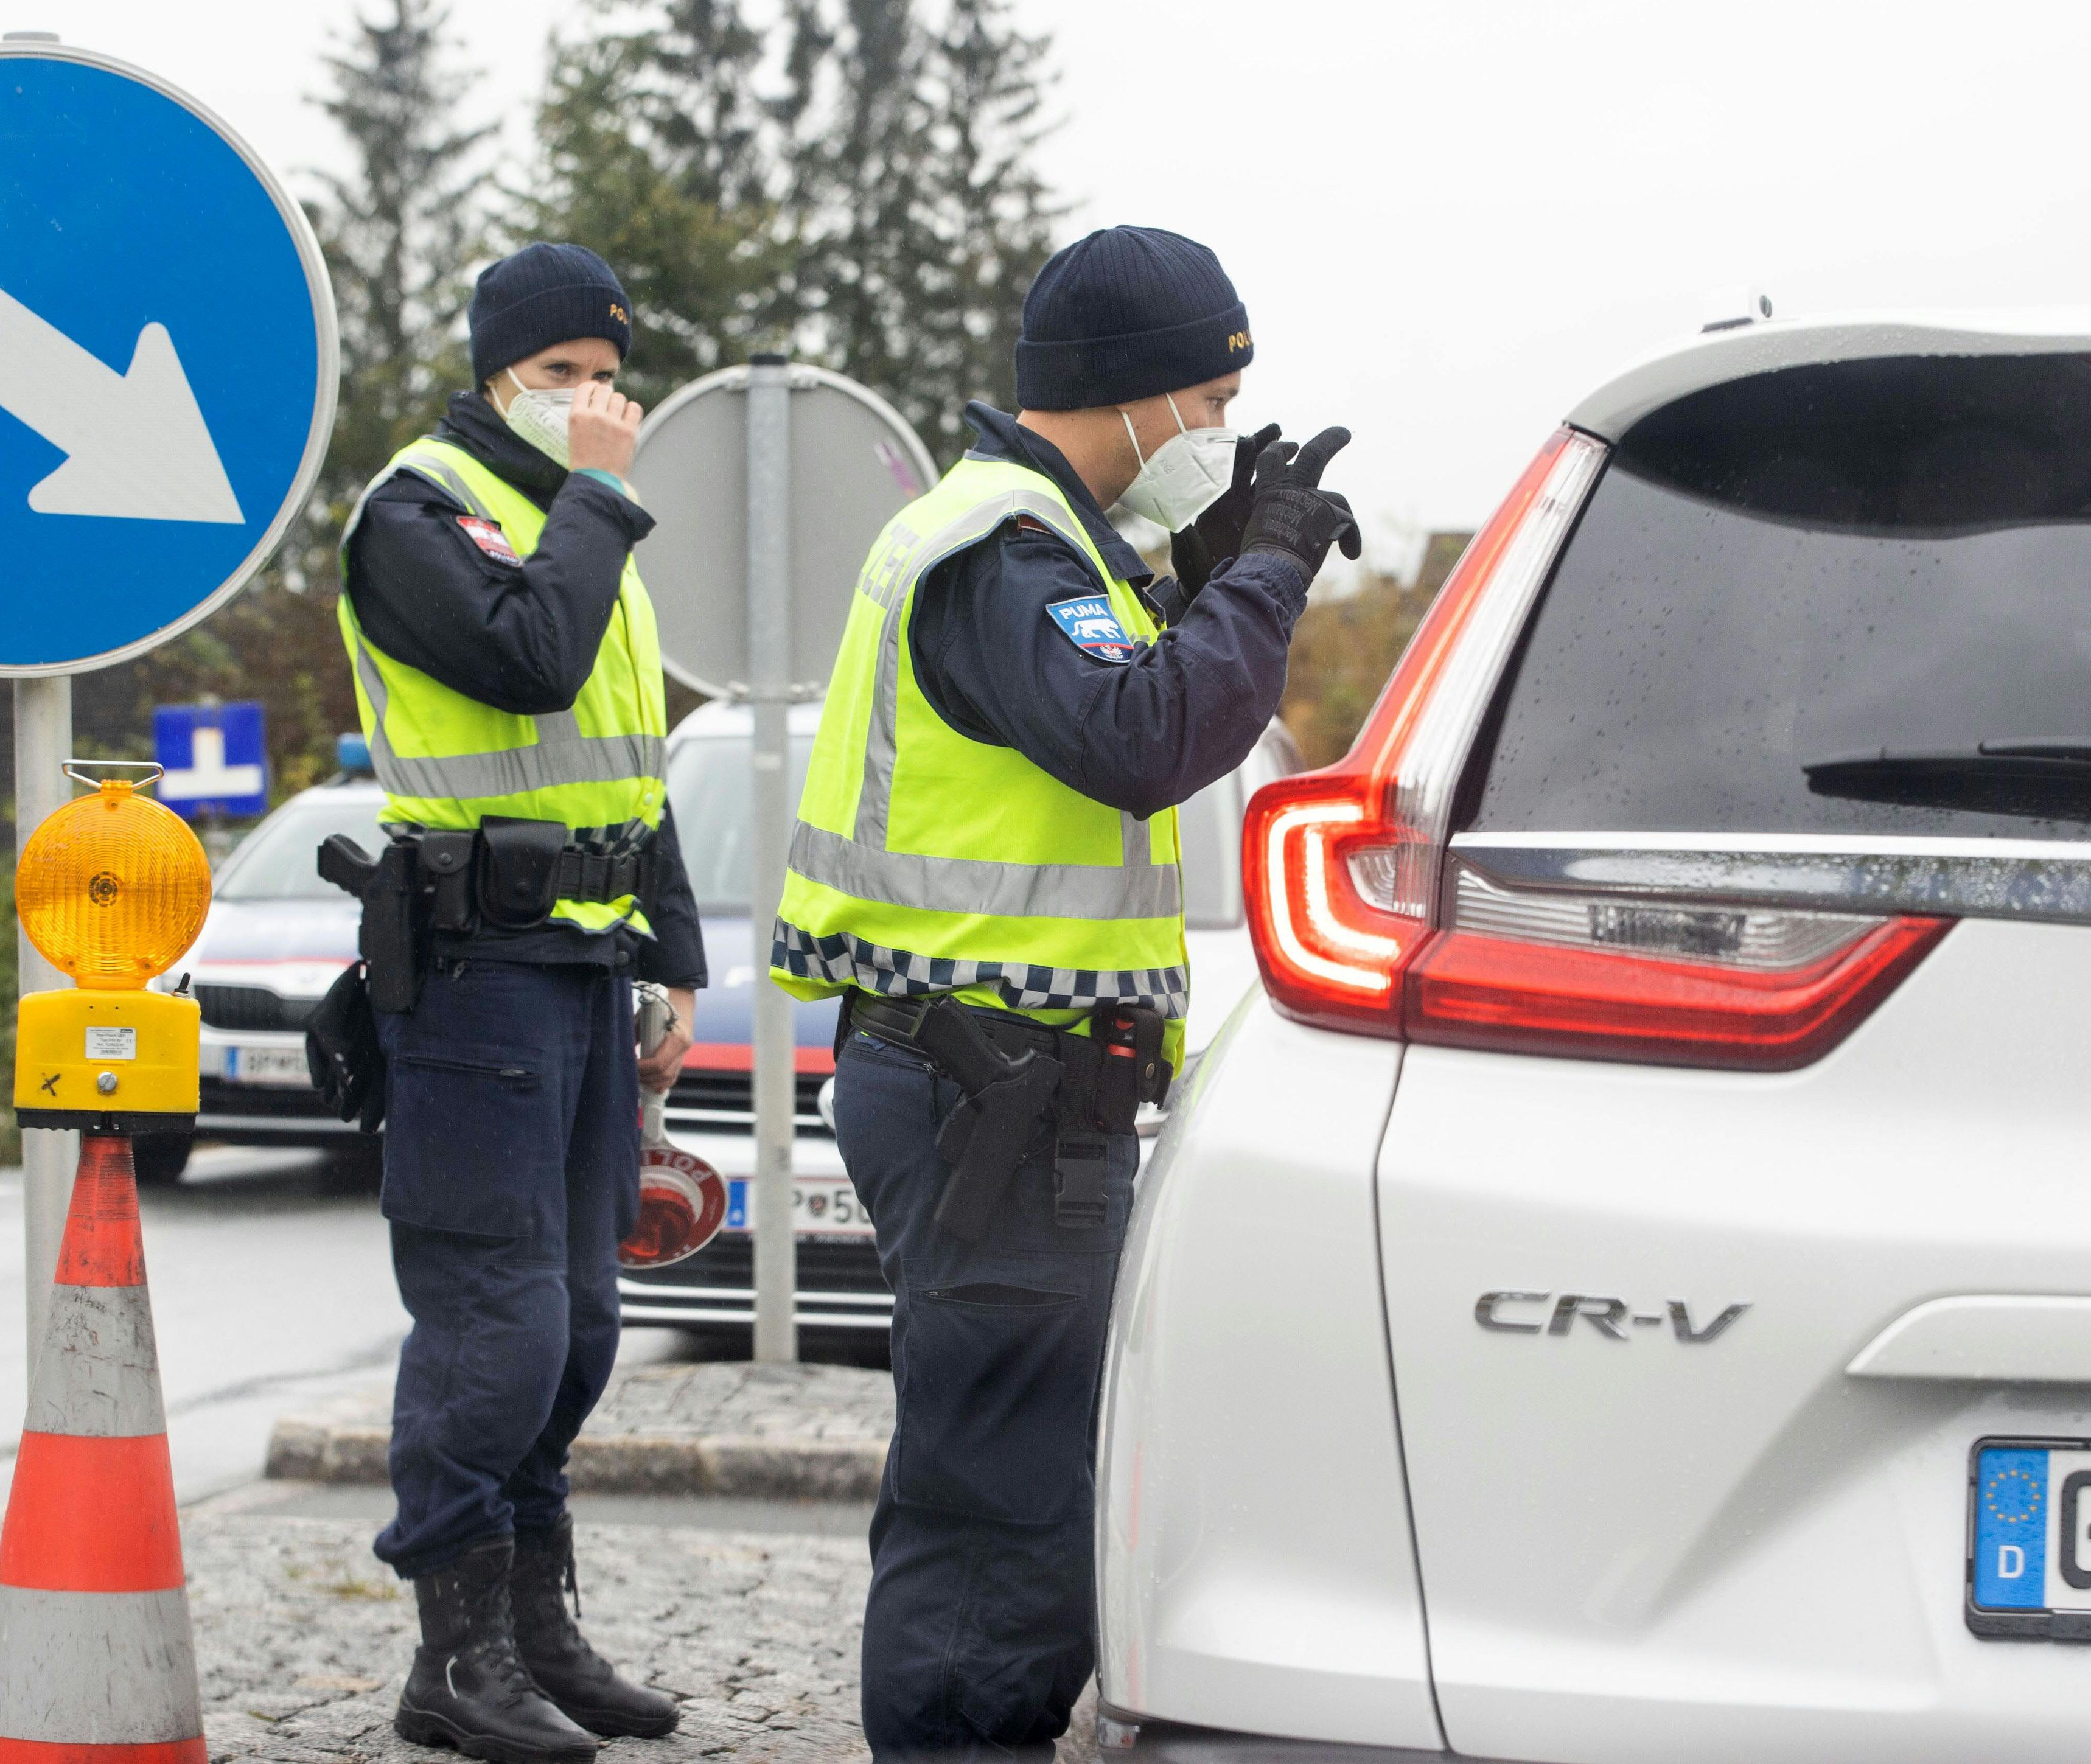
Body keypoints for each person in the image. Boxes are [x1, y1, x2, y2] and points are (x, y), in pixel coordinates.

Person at [769, 225, 1360, 1762]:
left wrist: (1207, 572)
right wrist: (1268, 570)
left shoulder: (1058, 555)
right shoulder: (998, 552)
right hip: (990, 1097)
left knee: (1021, 1488)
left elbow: (1117, 703)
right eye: (1216, 401)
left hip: (1010, 1092)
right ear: (1136, 394)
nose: (1225, 433)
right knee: (993, 1520)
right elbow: (1147, 734)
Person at [338, 242, 699, 1762]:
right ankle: (453, 1657)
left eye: (609, 377)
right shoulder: (415, 513)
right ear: (495, 376)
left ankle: (539, 1632)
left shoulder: (574, 527)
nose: (593, 401)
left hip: (584, 970)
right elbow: (531, 663)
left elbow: (630, 757)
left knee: (581, 1324)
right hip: (474, 975)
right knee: (494, 1319)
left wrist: (672, 949)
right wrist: (603, 501)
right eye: (559, 377)